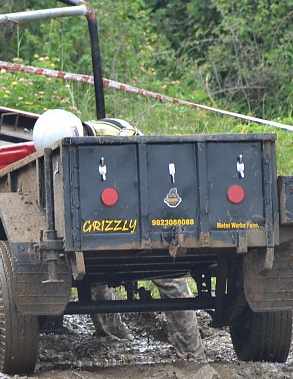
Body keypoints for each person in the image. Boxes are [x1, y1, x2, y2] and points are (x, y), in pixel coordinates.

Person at [32, 109, 204, 359]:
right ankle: (114, 338)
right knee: (97, 282)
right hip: (101, 223)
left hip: (143, 213)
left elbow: (145, 173)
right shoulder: (63, 156)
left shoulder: (119, 134)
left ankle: (191, 353)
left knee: (170, 278)